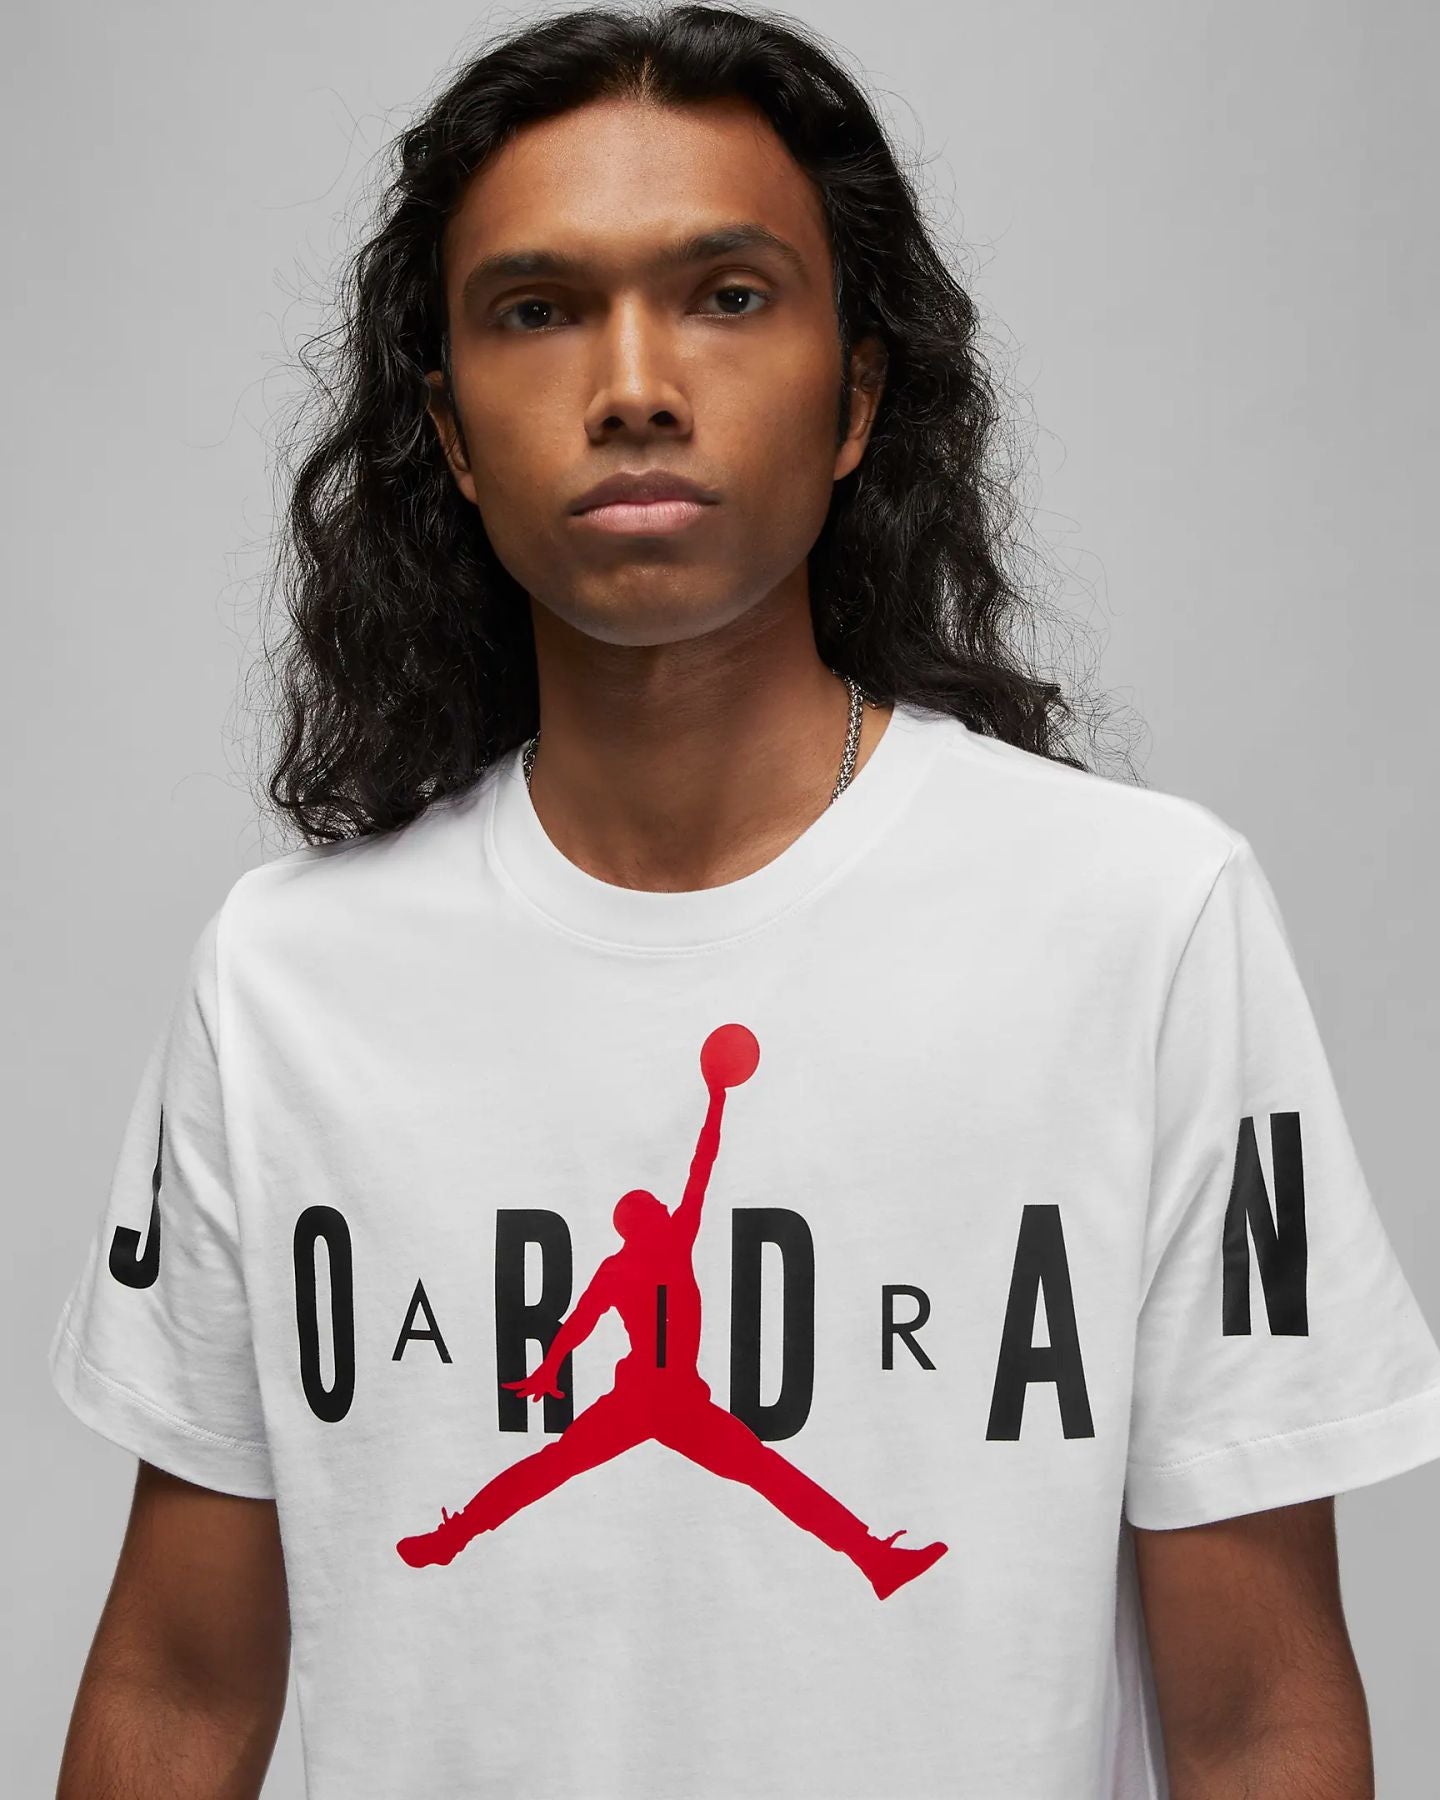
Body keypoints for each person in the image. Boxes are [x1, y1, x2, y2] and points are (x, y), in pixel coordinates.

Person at [48, 5, 1440, 1798]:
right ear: (450, 432)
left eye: (726, 294)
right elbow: (176, 1690)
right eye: (537, 310)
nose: (635, 384)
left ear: (855, 396)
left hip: (677, 1402)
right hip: (639, 1401)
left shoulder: (1144, 925)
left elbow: (1258, 1719)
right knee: (588, 1467)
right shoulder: (284, 982)